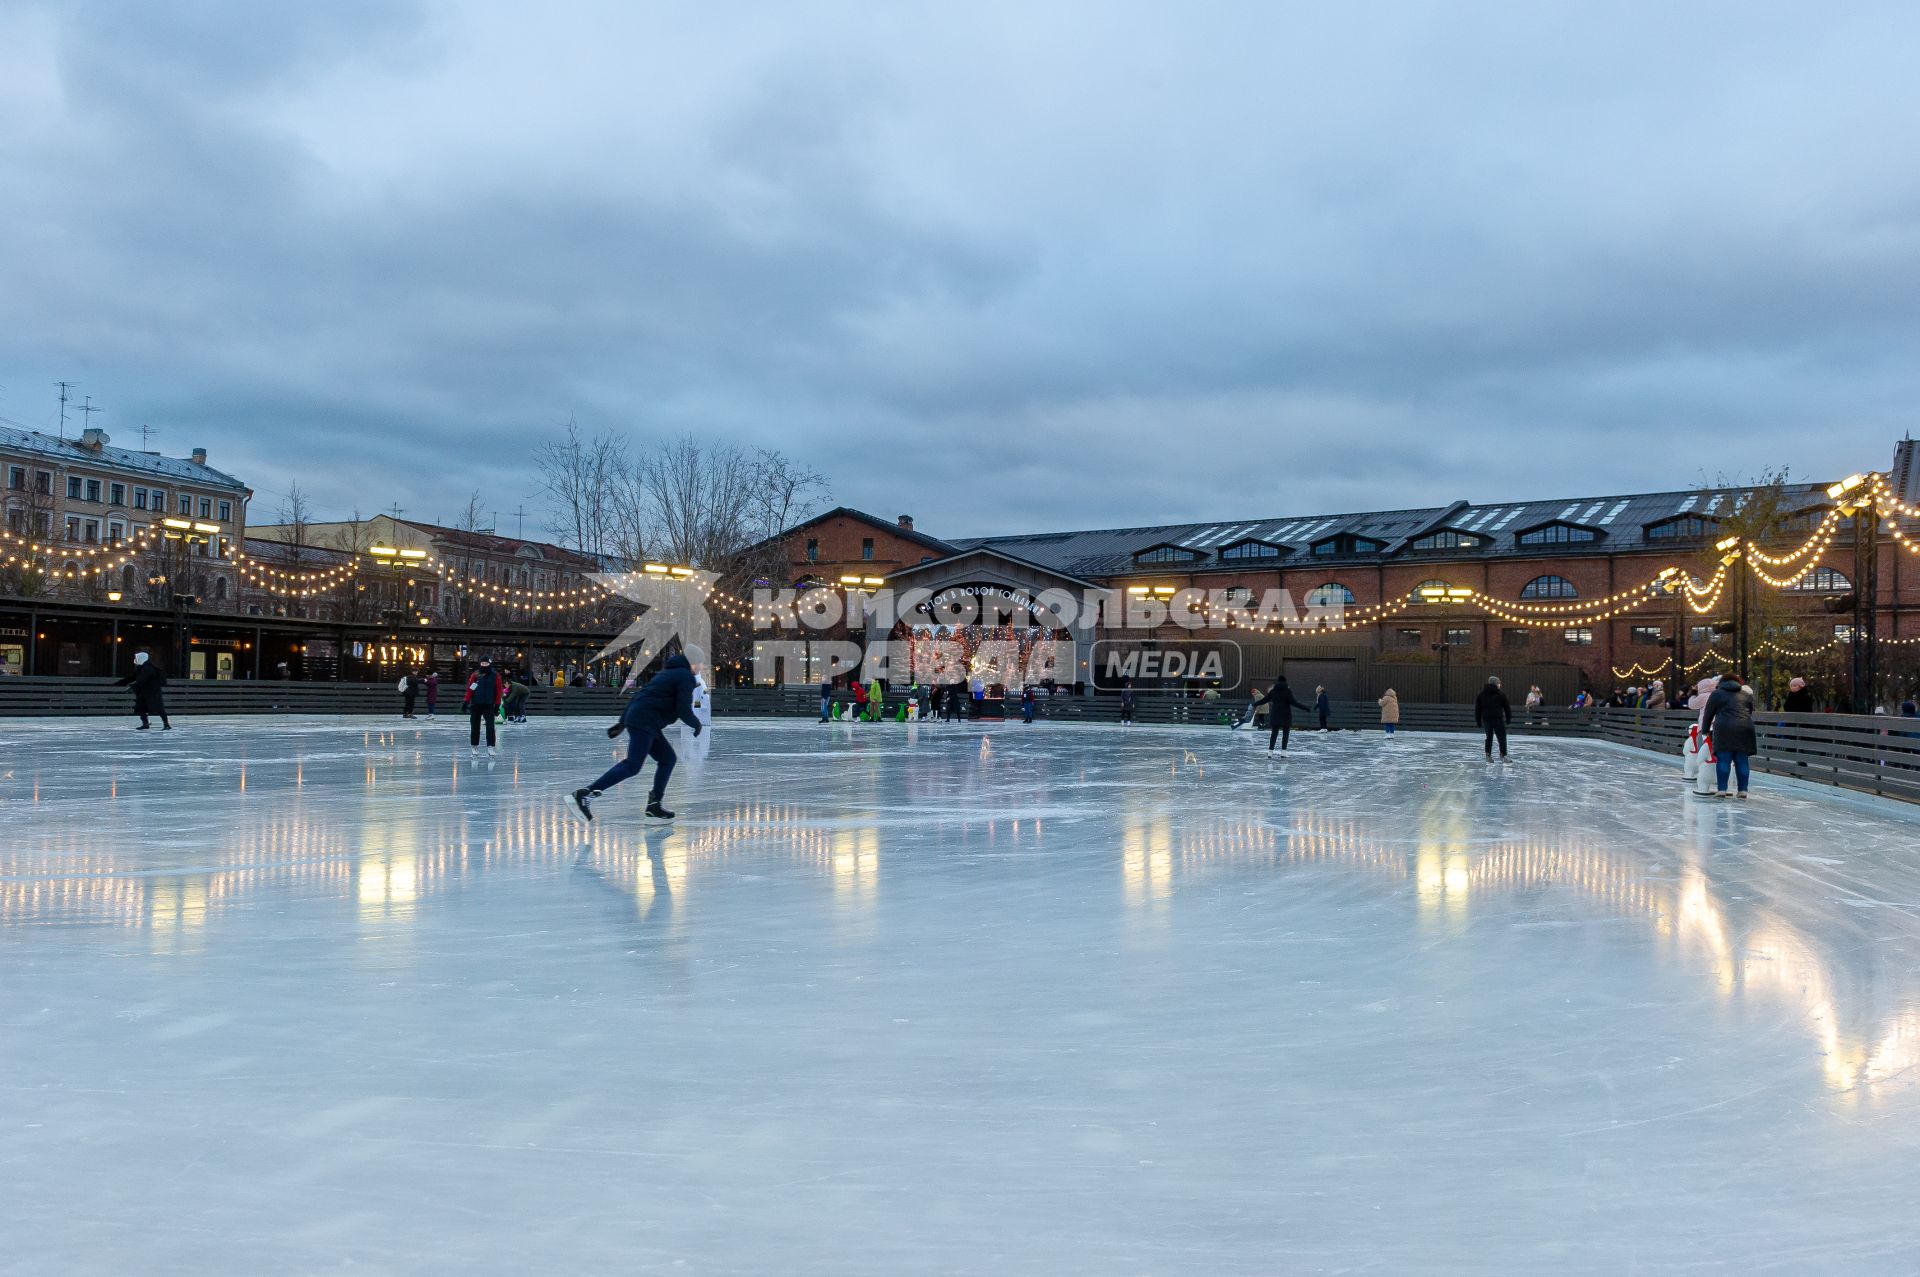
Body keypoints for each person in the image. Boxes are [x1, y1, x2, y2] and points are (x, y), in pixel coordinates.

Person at [568, 648, 702, 823]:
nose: (701, 667)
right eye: (700, 663)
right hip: (646, 720)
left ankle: (654, 804)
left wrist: (622, 722)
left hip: (644, 719)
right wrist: (695, 723)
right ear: (693, 662)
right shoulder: (685, 676)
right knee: (633, 765)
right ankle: (586, 794)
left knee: (668, 758)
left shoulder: (666, 673)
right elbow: (682, 708)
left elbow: (639, 696)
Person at [1698, 674, 1757, 798]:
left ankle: (1722, 789)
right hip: (1745, 729)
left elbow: (1708, 714)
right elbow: (1750, 712)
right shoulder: (1746, 694)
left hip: (1724, 728)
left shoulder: (1716, 694)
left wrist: (1705, 730)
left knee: (1724, 759)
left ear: (1721, 682)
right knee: (1742, 760)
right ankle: (1742, 790)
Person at [1251, 675, 1311, 753]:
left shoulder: (1273, 691)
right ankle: (1283, 752)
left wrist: (1255, 704)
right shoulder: (1288, 691)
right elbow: (1294, 703)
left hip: (1275, 715)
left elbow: (1264, 700)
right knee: (1285, 734)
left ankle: (1270, 752)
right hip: (1286, 716)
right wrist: (1306, 708)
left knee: (1274, 734)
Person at [117, 650, 171, 730]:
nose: (135, 660)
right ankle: (145, 724)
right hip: (145, 692)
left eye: (137, 658)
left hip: (153, 692)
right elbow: (139, 679)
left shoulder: (148, 668)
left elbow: (142, 679)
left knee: (158, 708)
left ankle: (166, 724)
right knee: (141, 707)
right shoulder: (142, 667)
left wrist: (133, 685)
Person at [464, 658, 506, 757]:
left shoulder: (495, 675)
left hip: (489, 704)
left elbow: (499, 690)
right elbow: (471, 688)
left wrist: (497, 704)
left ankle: (490, 747)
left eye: (486, 663)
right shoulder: (476, 675)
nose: (484, 665)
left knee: (490, 726)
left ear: (489, 664)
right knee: (475, 725)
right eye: (482, 663)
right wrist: (466, 701)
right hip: (476, 704)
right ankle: (474, 746)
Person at [1474, 675, 1512, 760]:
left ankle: (1488, 754)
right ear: (1496, 684)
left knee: (1489, 737)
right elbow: (1507, 708)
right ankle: (1503, 754)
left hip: (1486, 719)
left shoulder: (1481, 695)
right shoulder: (1501, 694)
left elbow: (1478, 709)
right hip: (1497, 719)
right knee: (1501, 737)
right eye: (1499, 683)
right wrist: (1508, 718)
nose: (1500, 685)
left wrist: (1478, 721)